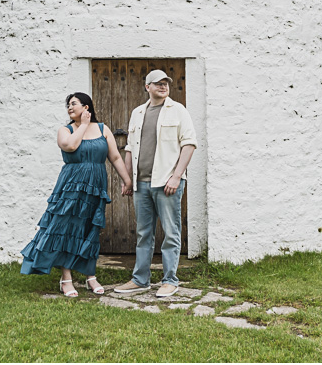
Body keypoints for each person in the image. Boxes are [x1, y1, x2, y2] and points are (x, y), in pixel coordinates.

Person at [20, 92, 133, 297]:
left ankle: (91, 276)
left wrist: (127, 180)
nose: (69, 108)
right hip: (72, 185)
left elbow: (115, 157)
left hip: (96, 185)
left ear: (86, 107)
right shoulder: (66, 130)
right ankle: (66, 279)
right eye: (68, 105)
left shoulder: (102, 129)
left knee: (90, 228)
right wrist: (81, 126)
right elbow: (70, 145)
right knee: (66, 228)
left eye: (74, 104)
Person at [114, 69, 197, 298]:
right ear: (147, 87)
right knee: (143, 234)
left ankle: (170, 280)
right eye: (158, 83)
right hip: (141, 185)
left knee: (171, 233)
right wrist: (128, 179)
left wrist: (177, 176)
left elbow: (189, 144)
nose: (163, 86)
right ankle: (140, 280)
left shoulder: (178, 110)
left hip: (167, 183)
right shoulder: (138, 112)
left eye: (166, 83)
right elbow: (130, 147)